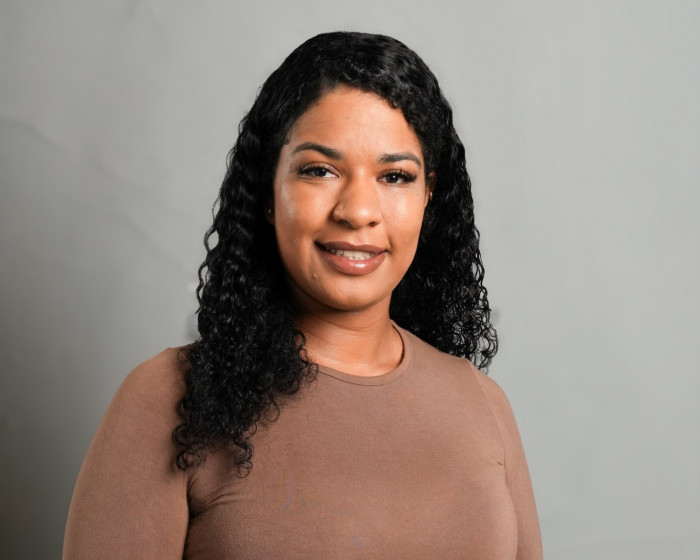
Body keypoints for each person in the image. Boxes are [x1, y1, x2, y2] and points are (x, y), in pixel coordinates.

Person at [63, 32, 542, 559]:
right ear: (268, 191)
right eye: (320, 170)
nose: (358, 211)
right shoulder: (169, 398)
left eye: (395, 176)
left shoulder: (483, 405)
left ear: (429, 196)